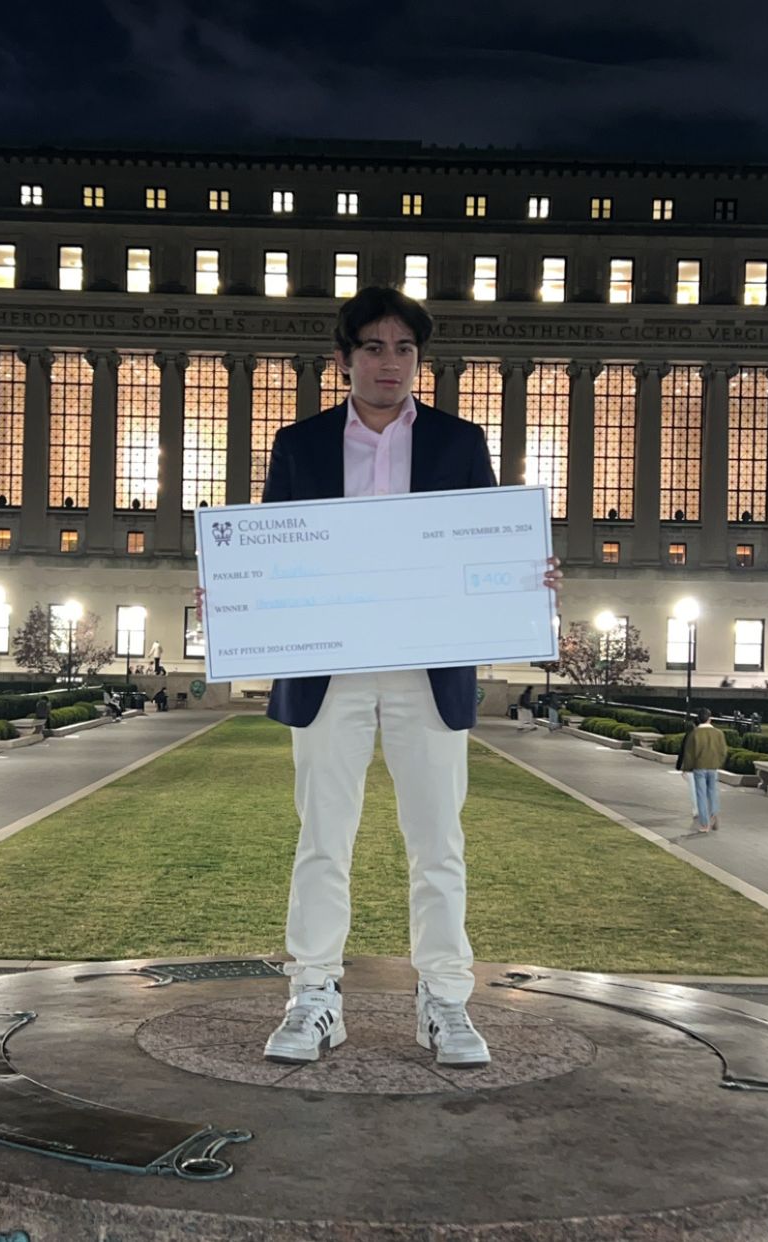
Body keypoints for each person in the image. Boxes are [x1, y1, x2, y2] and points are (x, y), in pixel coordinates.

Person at [201, 286, 561, 1069]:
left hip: (425, 673)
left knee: (438, 843)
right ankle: (314, 995)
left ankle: (445, 1001)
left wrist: (524, 578)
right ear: (344, 359)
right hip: (330, 671)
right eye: (373, 347)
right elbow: (270, 551)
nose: (389, 362)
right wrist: (233, 594)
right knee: (322, 840)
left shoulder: (459, 443)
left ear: (418, 361)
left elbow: (482, 546)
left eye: (404, 349)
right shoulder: (299, 445)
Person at [679, 707, 727, 832]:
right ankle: (714, 813)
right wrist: (718, 763)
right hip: (713, 767)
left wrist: (686, 769)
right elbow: (723, 751)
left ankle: (704, 824)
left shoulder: (694, 734)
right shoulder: (718, 733)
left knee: (701, 795)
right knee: (712, 792)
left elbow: (689, 754)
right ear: (710, 719)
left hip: (699, 767)